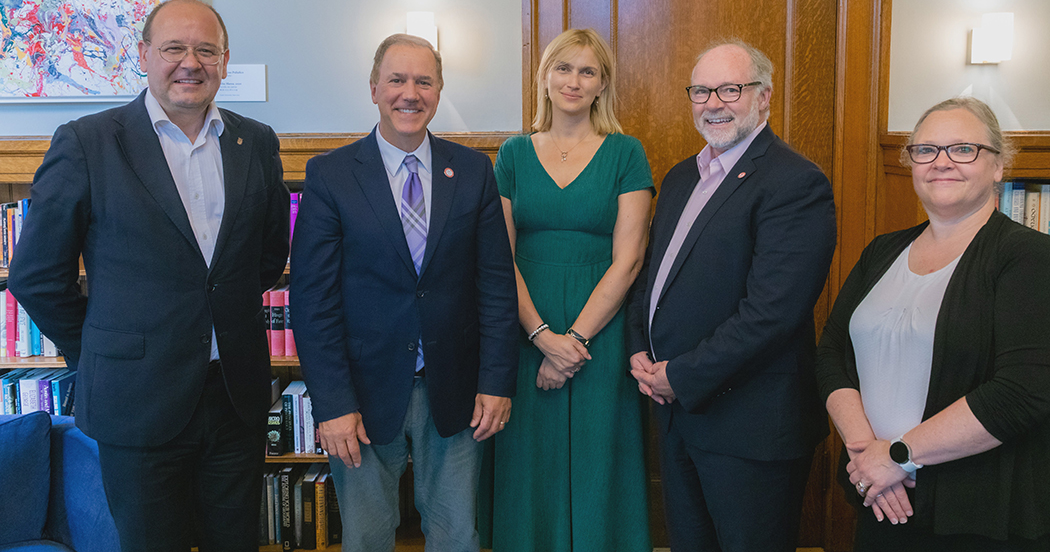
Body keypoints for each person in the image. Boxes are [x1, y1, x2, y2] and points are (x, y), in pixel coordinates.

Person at [8, 0, 290, 552]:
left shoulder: (255, 141)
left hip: (234, 394)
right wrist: (95, 346)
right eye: (174, 48)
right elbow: (37, 274)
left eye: (206, 49)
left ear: (225, 61)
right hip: (135, 399)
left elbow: (268, 252)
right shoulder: (89, 141)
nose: (191, 62)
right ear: (143, 55)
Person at [290, 33, 519, 552]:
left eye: (423, 81)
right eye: (396, 80)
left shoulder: (474, 171)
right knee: (367, 537)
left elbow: (496, 287)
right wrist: (331, 403)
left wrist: (497, 380)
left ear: (438, 91)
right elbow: (313, 300)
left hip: (458, 392)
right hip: (362, 398)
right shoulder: (330, 175)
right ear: (374, 88)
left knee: (458, 534)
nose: (409, 93)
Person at [626, 40, 837, 552]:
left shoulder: (795, 182)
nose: (713, 102)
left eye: (730, 89)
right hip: (678, 416)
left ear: (764, 97)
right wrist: (639, 347)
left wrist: (680, 374)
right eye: (701, 90)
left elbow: (772, 314)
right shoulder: (681, 177)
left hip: (751, 428)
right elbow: (652, 276)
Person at [815, 97, 1050, 552]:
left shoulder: (1029, 257)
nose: (941, 162)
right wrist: (868, 456)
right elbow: (831, 354)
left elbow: (1023, 390)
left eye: (963, 149)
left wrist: (899, 456)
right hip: (880, 497)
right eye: (925, 150)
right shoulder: (881, 252)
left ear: (998, 166)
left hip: (980, 516)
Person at [482, 28, 653, 551]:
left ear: (603, 85)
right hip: (524, 328)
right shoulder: (512, 155)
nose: (573, 81)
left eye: (587, 71)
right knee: (529, 459)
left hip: (599, 333)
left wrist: (571, 342)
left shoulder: (626, 153)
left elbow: (629, 261)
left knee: (601, 455)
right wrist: (540, 337)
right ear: (545, 77)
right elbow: (497, 257)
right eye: (563, 68)